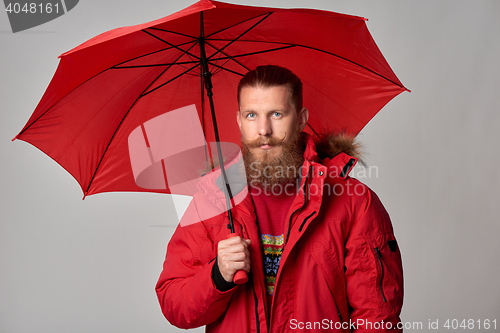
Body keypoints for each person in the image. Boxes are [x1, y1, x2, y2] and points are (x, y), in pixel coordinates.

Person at [156, 65, 404, 332]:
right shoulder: (213, 199)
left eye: (276, 114)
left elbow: (378, 318)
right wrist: (218, 275)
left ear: (300, 118)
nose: (264, 129)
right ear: (239, 120)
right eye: (252, 115)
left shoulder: (353, 202)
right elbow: (175, 305)